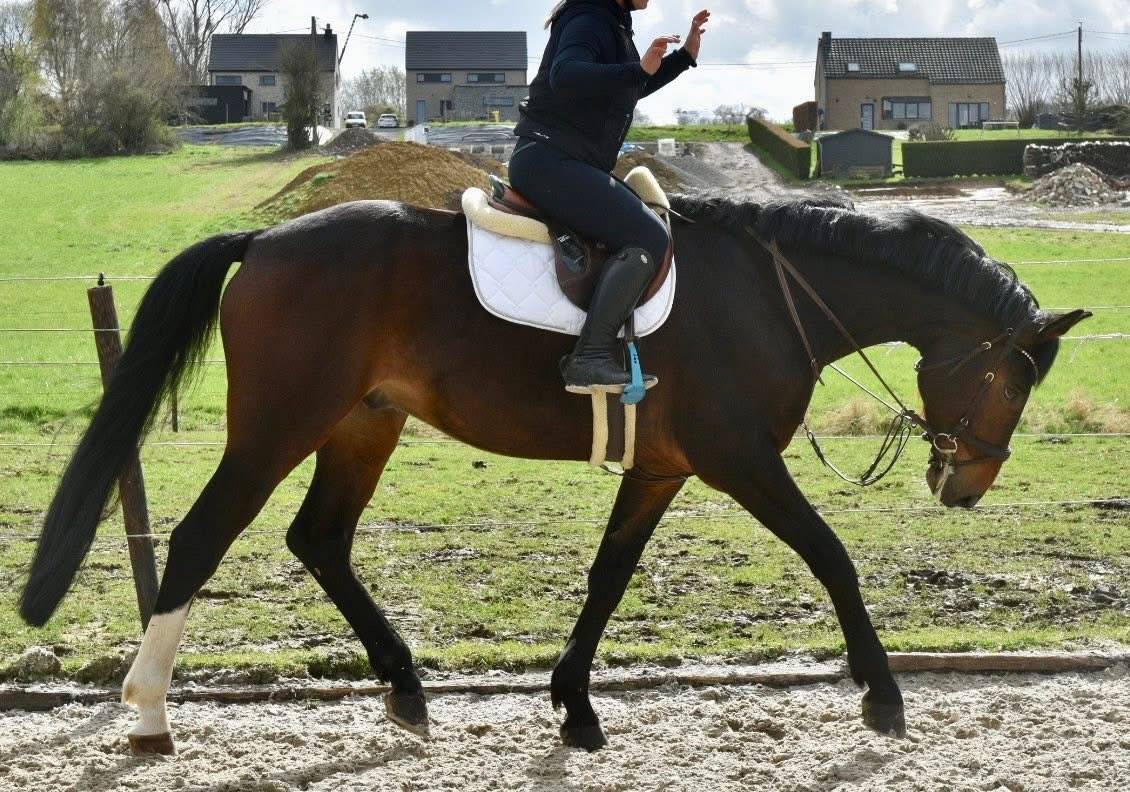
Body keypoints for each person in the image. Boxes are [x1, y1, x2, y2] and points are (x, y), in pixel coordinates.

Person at [511, 0, 709, 390]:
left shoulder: (613, 24)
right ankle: (590, 355)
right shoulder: (588, 18)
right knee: (650, 237)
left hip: (564, 161)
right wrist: (636, 69)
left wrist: (683, 57)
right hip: (550, 162)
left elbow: (631, 85)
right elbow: (565, 75)